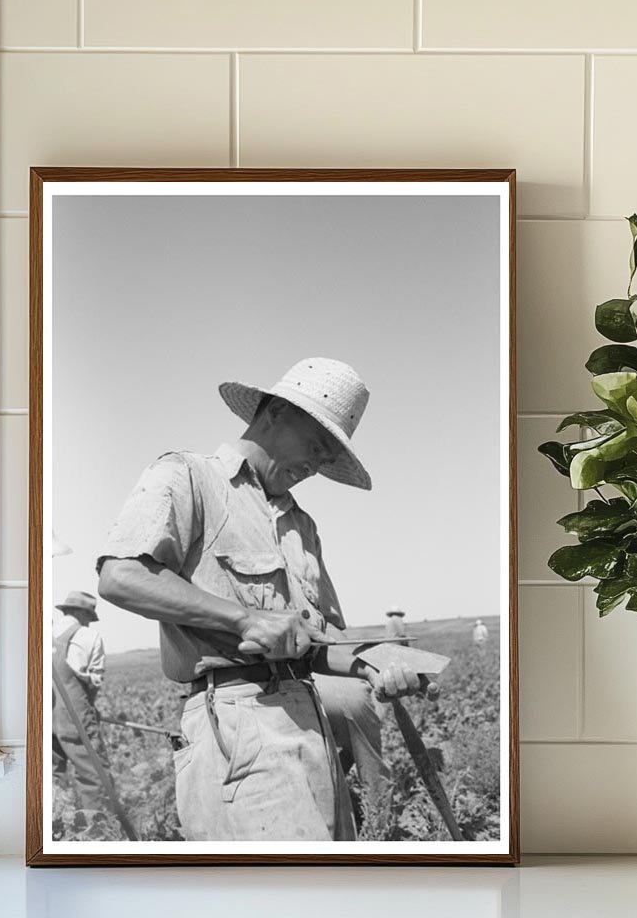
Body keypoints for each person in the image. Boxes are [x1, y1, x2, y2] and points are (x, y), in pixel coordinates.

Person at [97, 357, 426, 841]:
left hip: (310, 723)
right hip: (236, 721)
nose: (315, 467)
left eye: (326, 458)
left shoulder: (302, 525)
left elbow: (321, 644)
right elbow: (121, 576)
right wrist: (243, 620)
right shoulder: (189, 477)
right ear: (274, 412)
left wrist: (378, 665)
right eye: (315, 447)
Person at [51, 590, 111, 814]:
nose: (89, 622)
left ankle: (56, 822)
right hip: (73, 715)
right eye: (88, 617)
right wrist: (89, 711)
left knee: (52, 773)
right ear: (81, 613)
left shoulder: (46, 631)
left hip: (44, 714)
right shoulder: (89, 636)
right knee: (93, 773)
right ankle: (97, 829)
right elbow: (95, 681)